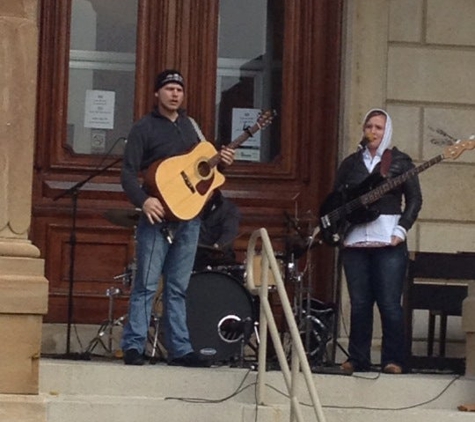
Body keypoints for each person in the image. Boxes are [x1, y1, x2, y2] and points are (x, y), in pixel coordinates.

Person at [120, 69, 235, 366]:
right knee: (146, 285)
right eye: (169, 88)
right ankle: (134, 346)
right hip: (157, 220)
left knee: (177, 288)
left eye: (179, 90)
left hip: (189, 219)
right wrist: (144, 201)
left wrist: (224, 165)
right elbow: (128, 173)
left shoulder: (191, 128)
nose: (174, 94)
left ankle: (180, 349)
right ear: (157, 93)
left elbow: (206, 175)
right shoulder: (143, 128)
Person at [335, 108, 422, 374]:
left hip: (388, 241)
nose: (372, 132)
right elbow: (336, 198)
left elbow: (415, 199)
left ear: (387, 131)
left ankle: (393, 359)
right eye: (369, 126)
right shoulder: (350, 164)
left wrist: (401, 230)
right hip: (355, 241)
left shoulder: (400, 162)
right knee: (360, 303)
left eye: (378, 128)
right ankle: (358, 358)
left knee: (389, 303)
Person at [193, 189, 241, 271]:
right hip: (192, 256)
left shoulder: (229, 209)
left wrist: (217, 246)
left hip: (218, 258)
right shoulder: (190, 206)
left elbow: (228, 234)